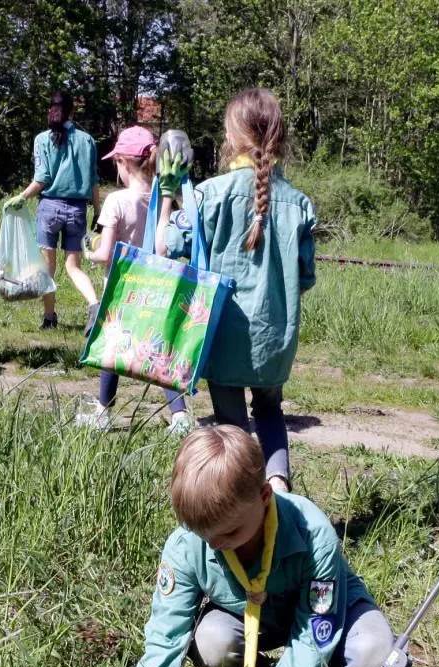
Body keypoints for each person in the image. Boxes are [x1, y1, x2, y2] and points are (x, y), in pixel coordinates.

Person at [126, 426, 393, 667]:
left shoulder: (313, 536)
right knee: (211, 643)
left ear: (265, 495)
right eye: (202, 535)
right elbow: (166, 637)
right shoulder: (189, 545)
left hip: (329, 616)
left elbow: (313, 637)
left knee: (372, 651)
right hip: (256, 622)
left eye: (230, 533)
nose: (215, 545)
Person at [156, 89, 315, 497]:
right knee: (269, 410)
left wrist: (168, 195)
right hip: (275, 338)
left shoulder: (208, 194)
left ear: (232, 136)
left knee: (231, 426)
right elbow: (306, 277)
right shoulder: (300, 204)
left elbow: (164, 249)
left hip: (222, 333)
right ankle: (278, 489)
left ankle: (241, 500)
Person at [76, 125, 191, 436]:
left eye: (116, 163)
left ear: (123, 163)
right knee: (157, 349)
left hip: (121, 290)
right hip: (156, 288)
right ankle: (180, 416)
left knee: (112, 352)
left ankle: (103, 412)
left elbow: (105, 253)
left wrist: (88, 251)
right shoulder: (163, 198)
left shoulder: (117, 201)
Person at [4, 91, 99, 330]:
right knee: (73, 266)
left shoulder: (42, 139)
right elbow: (94, 179)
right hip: (77, 210)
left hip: (49, 209)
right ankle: (95, 305)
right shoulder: (87, 140)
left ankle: (49, 317)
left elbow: (42, 179)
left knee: (48, 268)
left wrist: (22, 196)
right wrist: (98, 211)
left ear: (51, 110)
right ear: (72, 112)